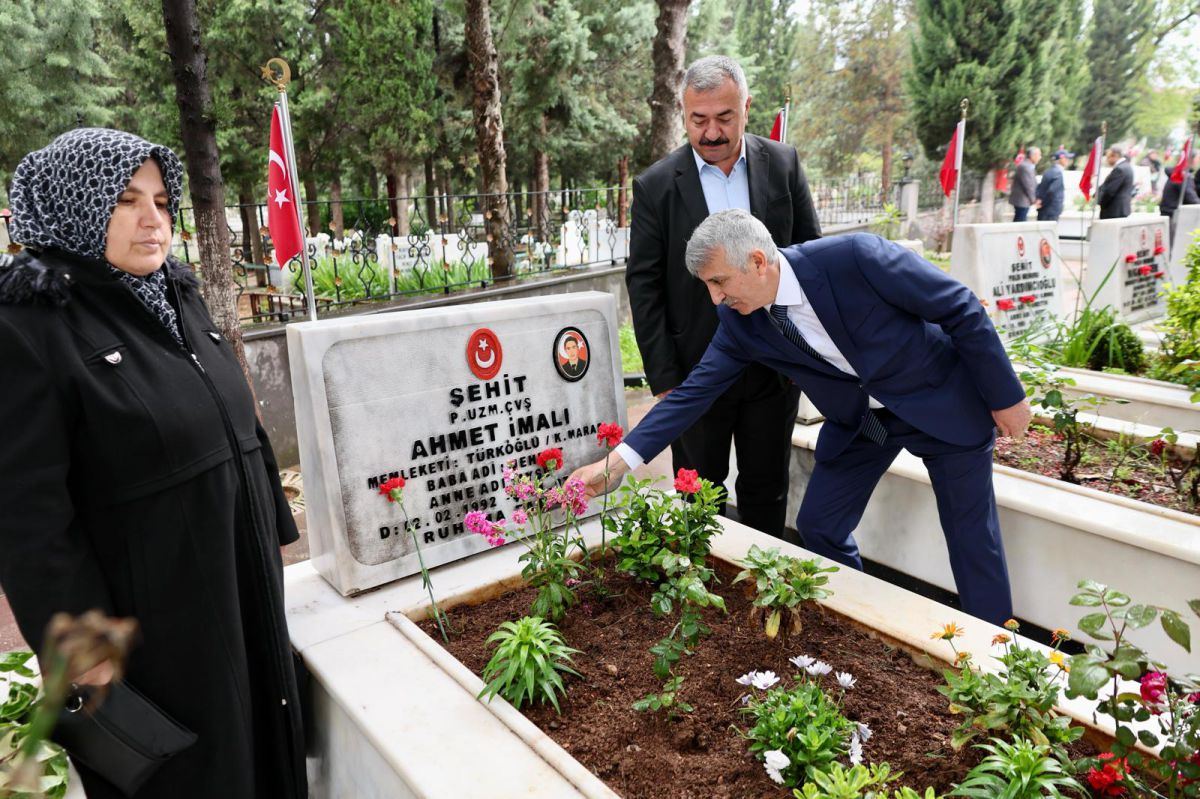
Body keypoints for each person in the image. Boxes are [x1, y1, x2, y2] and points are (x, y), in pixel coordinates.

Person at [0, 129, 306, 798]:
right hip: (153, 639)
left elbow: (239, 426)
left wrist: (272, 536)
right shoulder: (31, 324)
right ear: (74, 207)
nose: (154, 220)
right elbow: (26, 519)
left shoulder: (176, 294)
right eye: (125, 200)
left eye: (163, 201)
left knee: (266, 764)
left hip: (237, 589)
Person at [574, 209, 1031, 625]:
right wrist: (617, 464)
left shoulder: (856, 257)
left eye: (719, 282)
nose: (715, 299)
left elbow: (959, 307)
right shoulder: (741, 323)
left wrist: (1005, 397)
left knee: (972, 538)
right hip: (863, 425)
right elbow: (692, 394)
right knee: (819, 526)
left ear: (757, 261)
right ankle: (860, 621)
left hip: (938, 402)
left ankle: (998, 659)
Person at [625, 55, 821, 538]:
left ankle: (763, 590)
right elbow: (644, 284)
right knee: (697, 496)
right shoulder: (655, 187)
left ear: (747, 107)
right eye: (698, 120)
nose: (711, 132)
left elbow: (810, 256)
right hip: (697, 371)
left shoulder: (783, 163)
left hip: (775, 367)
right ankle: (700, 594)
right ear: (683, 112)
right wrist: (666, 378)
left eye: (724, 118)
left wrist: (808, 355)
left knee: (766, 490)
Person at [1160, 151, 1200, 241]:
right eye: (1198, 158)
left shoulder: (1177, 174)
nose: (1198, 161)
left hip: (1168, 213)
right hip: (1175, 215)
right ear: (1191, 160)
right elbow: (1191, 198)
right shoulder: (1183, 176)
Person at [1097, 145, 1134, 219]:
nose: (1107, 160)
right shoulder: (1126, 166)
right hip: (1120, 210)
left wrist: (1101, 202)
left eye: (1108, 157)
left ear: (1115, 156)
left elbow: (1110, 191)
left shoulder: (1119, 169)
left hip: (1114, 210)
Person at [1035, 148, 1071, 222]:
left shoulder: (1049, 170)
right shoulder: (1057, 173)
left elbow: (1041, 188)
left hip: (1046, 210)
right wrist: (1043, 204)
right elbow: (1052, 191)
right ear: (1061, 159)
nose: (1068, 160)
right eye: (1067, 158)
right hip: (1050, 210)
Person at [1010, 146, 1039, 222]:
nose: (1039, 157)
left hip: (1023, 201)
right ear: (1032, 156)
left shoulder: (1028, 166)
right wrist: (1034, 200)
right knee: (1019, 223)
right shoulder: (1025, 166)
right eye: (1038, 155)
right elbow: (1029, 186)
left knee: (1019, 222)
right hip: (1021, 201)